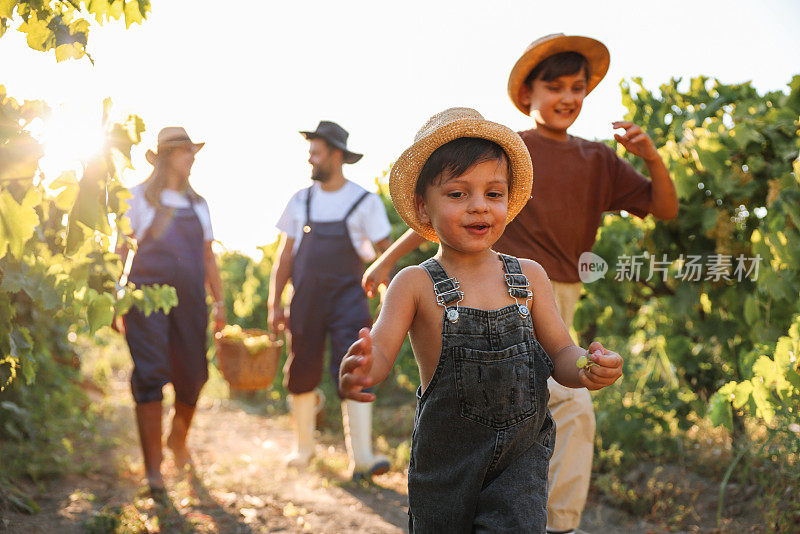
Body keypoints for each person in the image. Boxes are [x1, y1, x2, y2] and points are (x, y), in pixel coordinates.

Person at [362, 34, 678, 533]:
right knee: (569, 409)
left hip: (542, 296)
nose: (481, 203)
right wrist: (387, 264)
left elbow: (663, 210)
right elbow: (439, 211)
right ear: (526, 94)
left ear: (510, 198)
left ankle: (556, 523)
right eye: (554, 86)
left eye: (579, 88)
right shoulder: (508, 149)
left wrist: (651, 157)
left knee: (565, 405)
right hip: (478, 297)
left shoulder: (595, 159)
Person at [339, 107, 624, 532]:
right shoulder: (414, 283)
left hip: (520, 464)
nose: (479, 207)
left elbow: (561, 354)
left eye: (493, 194)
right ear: (423, 206)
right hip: (444, 468)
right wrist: (363, 368)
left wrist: (587, 366)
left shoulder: (528, 277)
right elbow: (380, 350)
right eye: (457, 194)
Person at [268, 120, 393, 479]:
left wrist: (388, 300)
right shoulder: (300, 200)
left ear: (336, 155)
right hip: (305, 301)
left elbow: (386, 254)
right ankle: (303, 450)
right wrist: (275, 302)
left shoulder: (364, 202)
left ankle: (363, 458)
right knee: (301, 369)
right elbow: (285, 257)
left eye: (316, 153)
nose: (311, 160)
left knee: (356, 367)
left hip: (348, 302)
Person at [116, 127, 225, 496]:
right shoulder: (138, 199)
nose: (191, 157)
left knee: (193, 376)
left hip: (192, 300)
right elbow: (122, 251)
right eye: (184, 152)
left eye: (193, 151)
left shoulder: (199, 205)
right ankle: (153, 470)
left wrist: (221, 302)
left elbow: (208, 256)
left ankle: (177, 439)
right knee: (150, 374)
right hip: (145, 297)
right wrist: (117, 297)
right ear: (165, 158)